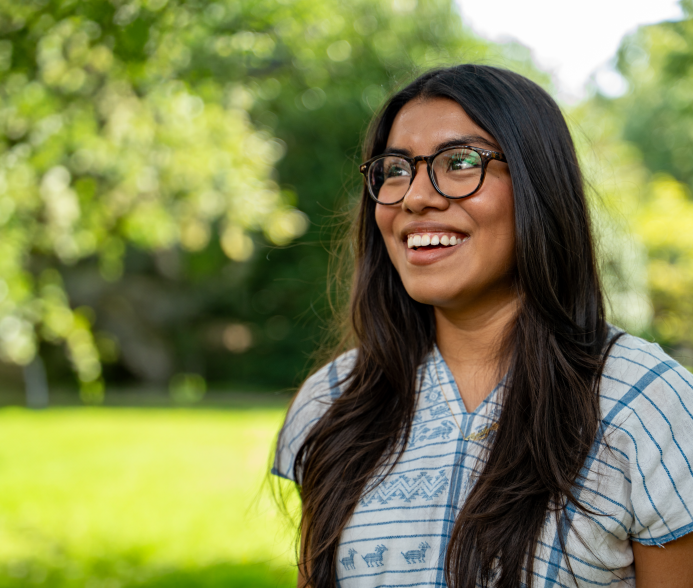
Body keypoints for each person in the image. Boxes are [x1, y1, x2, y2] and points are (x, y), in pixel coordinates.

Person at [271, 65, 693, 588]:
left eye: (460, 162)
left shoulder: (644, 402)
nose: (415, 197)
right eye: (396, 169)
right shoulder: (333, 402)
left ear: (538, 185)